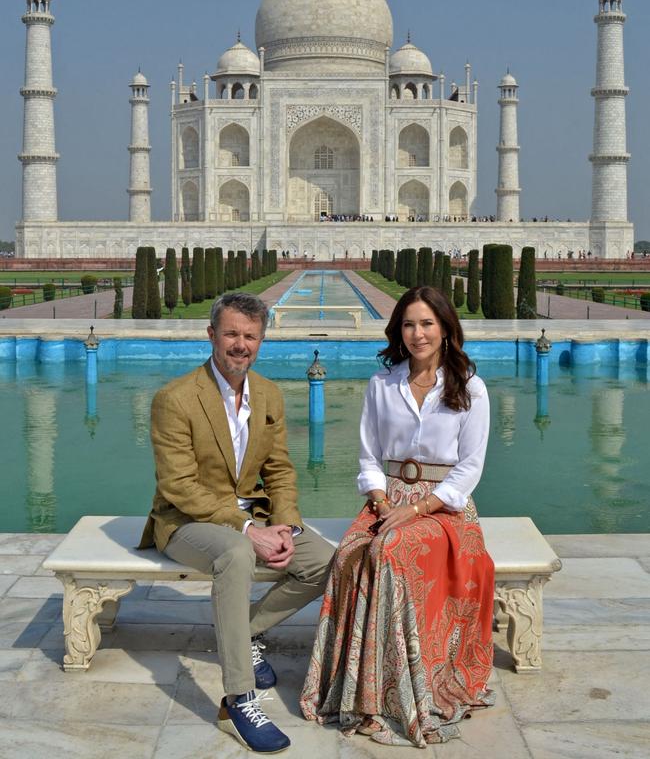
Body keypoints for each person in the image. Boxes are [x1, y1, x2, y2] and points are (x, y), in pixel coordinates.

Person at [300, 285, 495, 747]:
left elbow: (470, 468)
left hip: (446, 506)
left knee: (389, 549)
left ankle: (401, 687)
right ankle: (357, 684)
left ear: (446, 328)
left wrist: (419, 508)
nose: (418, 333)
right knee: (351, 552)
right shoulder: (382, 385)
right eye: (409, 324)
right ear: (398, 331)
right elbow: (368, 456)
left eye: (427, 323)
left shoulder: (469, 388)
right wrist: (384, 502)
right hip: (387, 499)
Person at [139, 292, 334, 753]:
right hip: (187, 520)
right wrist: (249, 530)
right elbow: (178, 487)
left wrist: (284, 524)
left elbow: (281, 470)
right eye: (231, 334)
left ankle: (243, 630)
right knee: (236, 552)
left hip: (255, 514)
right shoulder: (176, 399)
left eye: (250, 336)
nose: (240, 344)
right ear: (211, 335)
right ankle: (238, 700)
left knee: (329, 560)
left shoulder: (267, 393)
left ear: (261, 341)